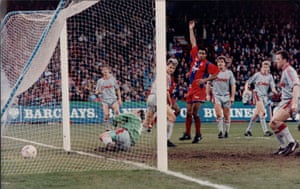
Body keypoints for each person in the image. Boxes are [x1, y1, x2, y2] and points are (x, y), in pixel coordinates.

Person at [179, 20, 220, 143]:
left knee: (195, 112)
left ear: (206, 55)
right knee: (188, 112)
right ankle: (187, 133)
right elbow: (193, 42)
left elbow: (216, 74)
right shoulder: (195, 58)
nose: (201, 54)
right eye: (200, 52)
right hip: (192, 88)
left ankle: (198, 134)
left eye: (203, 53)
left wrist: (205, 79)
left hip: (200, 89)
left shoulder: (208, 64)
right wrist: (191, 29)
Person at [143, 59, 178, 147]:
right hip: (157, 98)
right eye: (170, 67)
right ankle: (165, 140)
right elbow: (165, 92)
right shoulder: (165, 76)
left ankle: (130, 134)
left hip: (151, 97)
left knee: (147, 123)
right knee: (172, 117)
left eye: (173, 68)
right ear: (166, 66)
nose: (171, 69)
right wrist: (169, 103)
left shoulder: (163, 74)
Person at [270, 50, 299, 156]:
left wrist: (295, 102)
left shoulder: (289, 71)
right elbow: (287, 88)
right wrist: (279, 96)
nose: (276, 62)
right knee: (272, 124)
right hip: (285, 101)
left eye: (278, 59)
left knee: (275, 120)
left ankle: (292, 142)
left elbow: (296, 85)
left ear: (284, 60)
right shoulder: (284, 71)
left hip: (290, 101)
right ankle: (283, 146)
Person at [244, 60, 278, 137]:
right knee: (262, 112)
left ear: (269, 68)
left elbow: (273, 88)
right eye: (264, 67)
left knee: (256, 115)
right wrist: (246, 90)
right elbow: (248, 82)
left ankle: (248, 130)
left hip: (264, 97)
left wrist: (276, 92)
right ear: (261, 68)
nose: (265, 69)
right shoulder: (257, 75)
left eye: (267, 67)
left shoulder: (270, 77)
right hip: (257, 95)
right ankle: (266, 131)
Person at [206, 56, 236, 138]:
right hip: (216, 96)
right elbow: (208, 83)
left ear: (225, 64)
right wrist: (208, 94)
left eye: (222, 62)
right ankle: (220, 132)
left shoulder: (229, 73)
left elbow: (233, 85)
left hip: (226, 96)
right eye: (218, 62)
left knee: (226, 115)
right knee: (219, 114)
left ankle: (227, 132)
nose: (220, 63)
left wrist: (232, 96)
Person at [95, 65, 122, 130]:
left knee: (117, 112)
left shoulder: (113, 79)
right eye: (104, 72)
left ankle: (116, 126)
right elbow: (96, 92)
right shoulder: (100, 81)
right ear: (102, 72)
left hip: (113, 99)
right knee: (106, 115)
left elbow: (118, 89)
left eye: (106, 72)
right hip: (105, 100)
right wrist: (99, 91)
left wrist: (120, 99)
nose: (105, 73)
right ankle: (107, 127)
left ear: (109, 72)